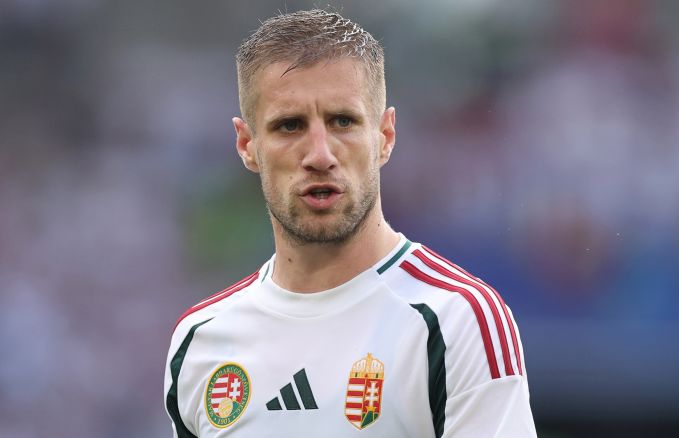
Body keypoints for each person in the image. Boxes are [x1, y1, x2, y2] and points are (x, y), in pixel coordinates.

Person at [164, 9, 536, 437]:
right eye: (290, 125)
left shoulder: (456, 321)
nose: (320, 154)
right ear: (248, 145)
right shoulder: (200, 341)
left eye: (343, 121)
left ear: (385, 136)